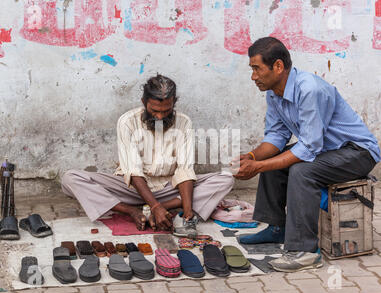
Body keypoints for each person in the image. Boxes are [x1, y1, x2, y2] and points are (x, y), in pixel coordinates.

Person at [231, 37, 380, 272]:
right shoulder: (273, 93)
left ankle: (306, 251)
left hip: (358, 152)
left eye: (257, 69)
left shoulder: (309, 89)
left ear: (278, 67)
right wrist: (252, 157)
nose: (253, 77)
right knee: (273, 160)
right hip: (328, 150)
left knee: (302, 171)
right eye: (252, 70)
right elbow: (275, 138)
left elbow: (308, 148)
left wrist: (258, 167)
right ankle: (277, 228)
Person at [62, 74, 234, 235]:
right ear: (144, 102)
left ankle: (159, 207)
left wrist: (187, 214)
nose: (159, 116)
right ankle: (131, 210)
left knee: (226, 179)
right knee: (70, 179)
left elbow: (185, 169)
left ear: (174, 103)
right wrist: (155, 206)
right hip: (131, 188)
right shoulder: (127, 121)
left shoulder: (184, 122)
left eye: (166, 111)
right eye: (154, 110)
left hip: (169, 187)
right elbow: (134, 171)